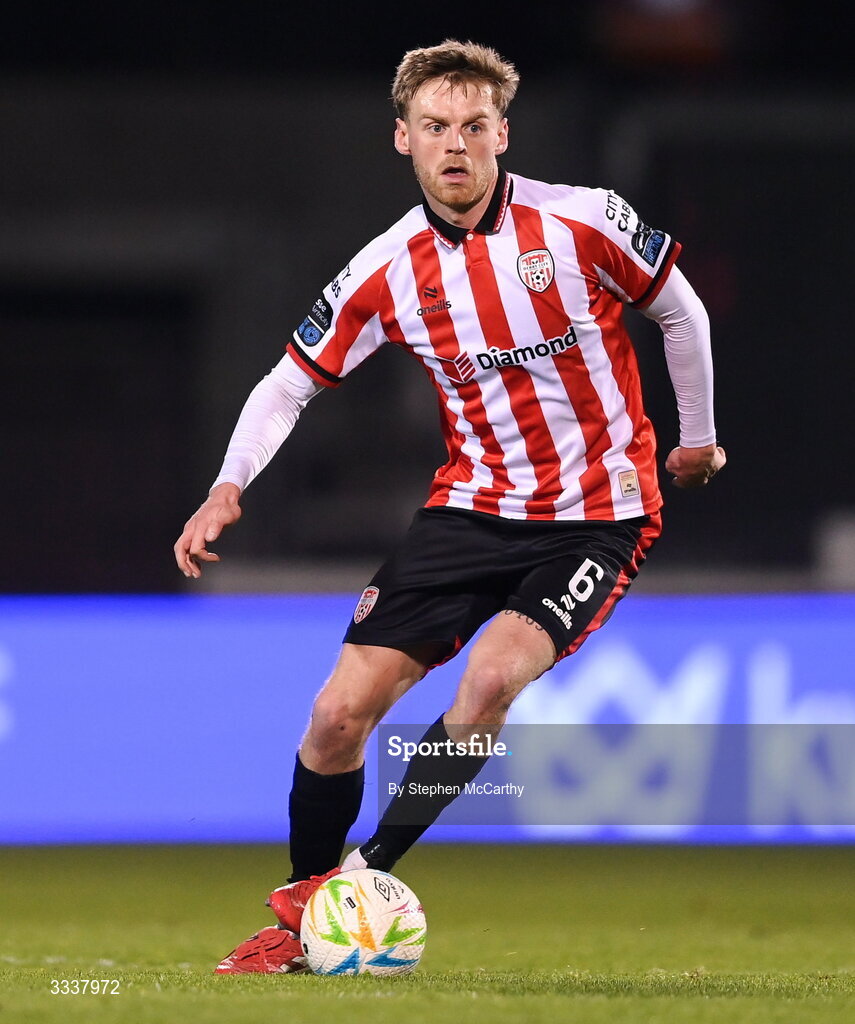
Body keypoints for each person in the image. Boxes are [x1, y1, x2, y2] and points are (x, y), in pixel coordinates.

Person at [174, 39, 725, 974]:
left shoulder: (581, 222)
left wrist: (695, 439)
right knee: (336, 717)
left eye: (474, 126)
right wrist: (228, 486)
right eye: (435, 128)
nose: (456, 145)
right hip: (469, 509)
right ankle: (302, 915)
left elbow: (681, 310)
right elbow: (286, 384)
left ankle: (366, 876)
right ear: (403, 140)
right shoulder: (387, 268)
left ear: (502, 133)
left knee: (487, 683)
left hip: (597, 511)